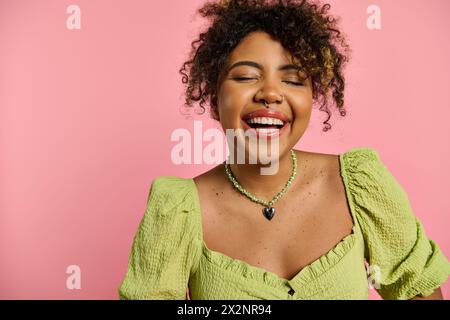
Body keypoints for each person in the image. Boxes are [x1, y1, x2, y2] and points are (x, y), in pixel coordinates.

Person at [118, 0, 450, 300]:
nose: (271, 93)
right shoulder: (176, 210)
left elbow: (418, 289)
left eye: (293, 80)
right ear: (215, 99)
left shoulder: (360, 185)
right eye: (246, 76)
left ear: (311, 100)